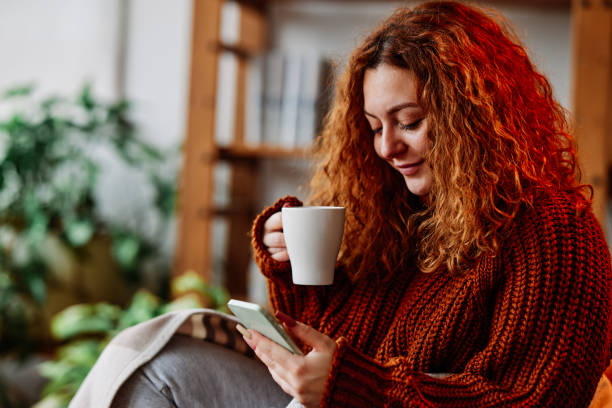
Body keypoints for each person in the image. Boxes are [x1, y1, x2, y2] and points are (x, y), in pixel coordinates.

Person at [102, 1, 611, 407]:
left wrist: (359, 390)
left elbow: (531, 400)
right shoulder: (394, 213)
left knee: (160, 366)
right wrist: (290, 267)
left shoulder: (554, 231)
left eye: (409, 122)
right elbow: (329, 346)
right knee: (157, 355)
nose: (387, 148)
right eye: (373, 127)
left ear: (474, 116)